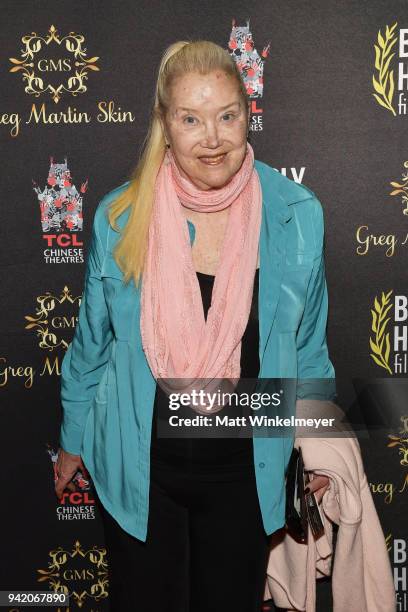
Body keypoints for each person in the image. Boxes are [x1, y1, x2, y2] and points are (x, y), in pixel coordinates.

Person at [54, 40, 335, 612]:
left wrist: (321, 445)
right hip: (140, 469)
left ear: (247, 114)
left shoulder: (295, 214)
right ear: (165, 123)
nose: (212, 138)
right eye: (190, 118)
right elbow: (92, 342)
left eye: (227, 115)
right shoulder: (120, 217)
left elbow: (308, 346)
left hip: (245, 471)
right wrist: (71, 439)